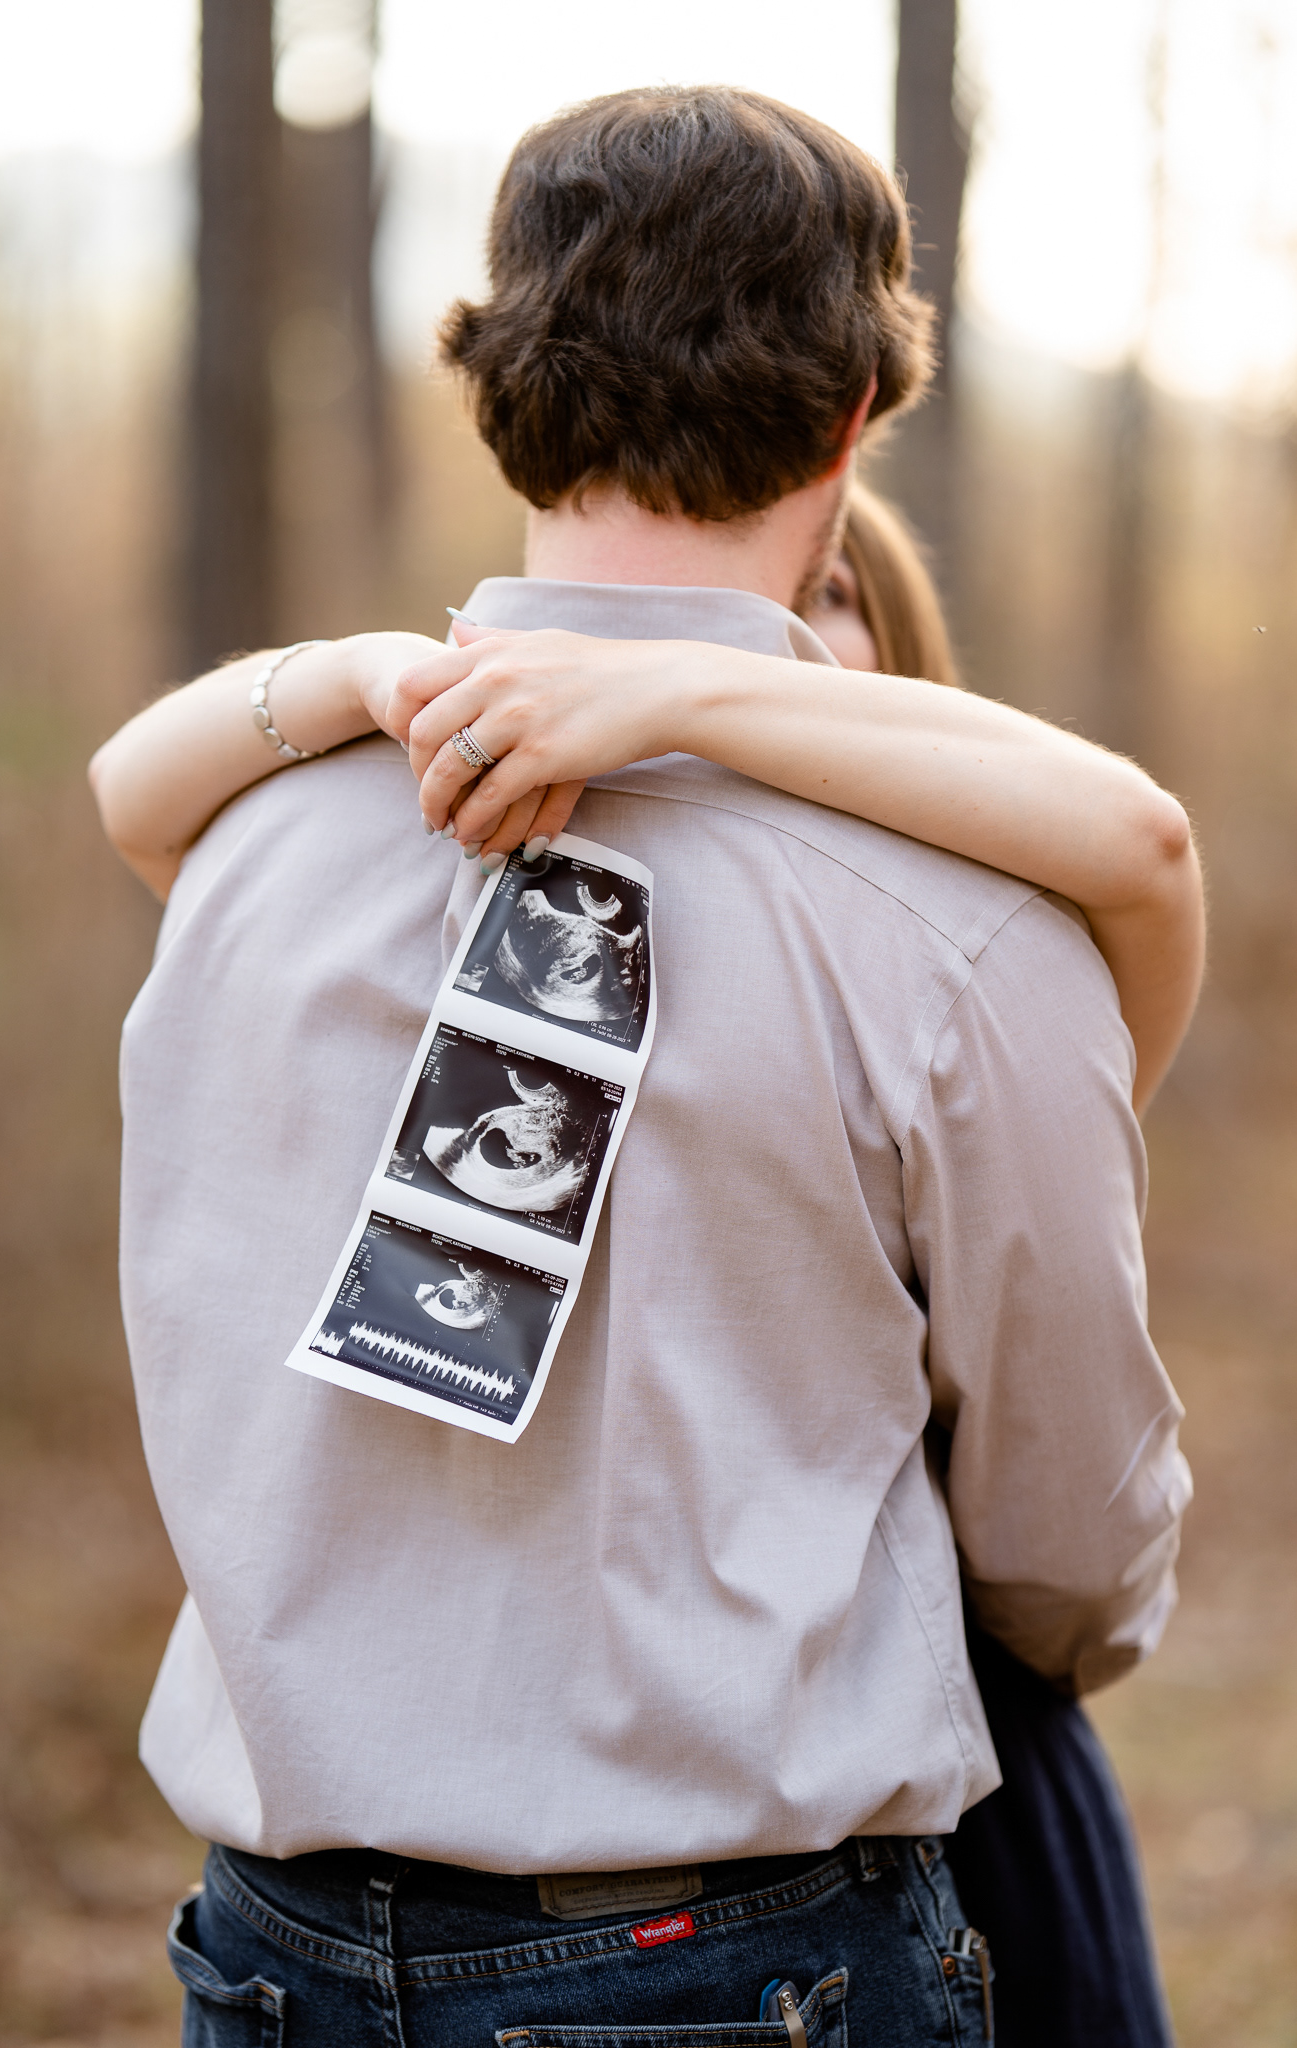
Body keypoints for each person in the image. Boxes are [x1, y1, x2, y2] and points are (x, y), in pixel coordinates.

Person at [93, 88, 1195, 2045]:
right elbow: (1064, 1534)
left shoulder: (241, 852)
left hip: (267, 1958)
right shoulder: (955, 921)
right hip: (739, 1967)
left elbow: (132, 796)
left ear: (493, 384)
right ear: (857, 413)